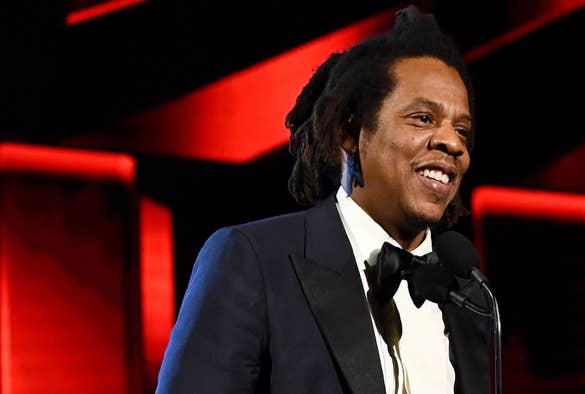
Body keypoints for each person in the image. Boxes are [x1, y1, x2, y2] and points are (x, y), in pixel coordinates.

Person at [156, 5, 491, 394]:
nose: (453, 143)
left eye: (462, 131)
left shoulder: (469, 298)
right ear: (350, 133)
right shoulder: (253, 261)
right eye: (422, 118)